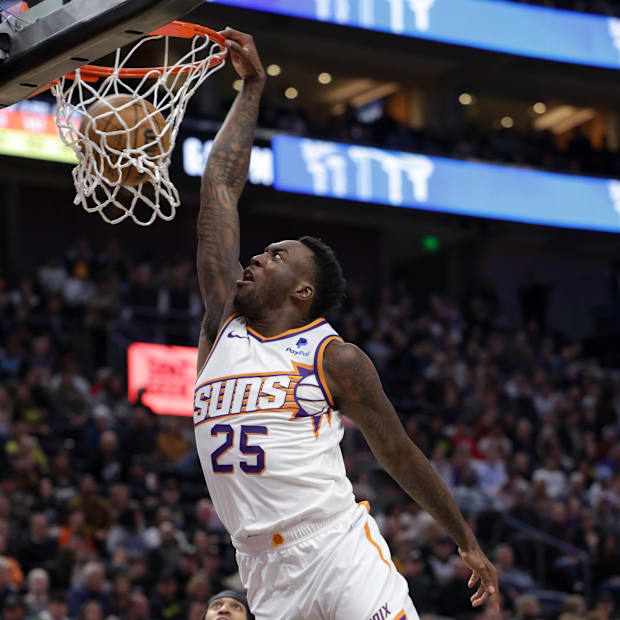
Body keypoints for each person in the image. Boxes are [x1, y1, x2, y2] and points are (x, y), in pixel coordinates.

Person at [193, 27, 499, 620]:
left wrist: (467, 541)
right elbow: (220, 191)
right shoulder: (219, 324)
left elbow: (400, 455)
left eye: (276, 255)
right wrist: (252, 87)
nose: (256, 257)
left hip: (335, 548)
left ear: (304, 291)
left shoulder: (334, 357)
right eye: (262, 251)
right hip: (261, 570)